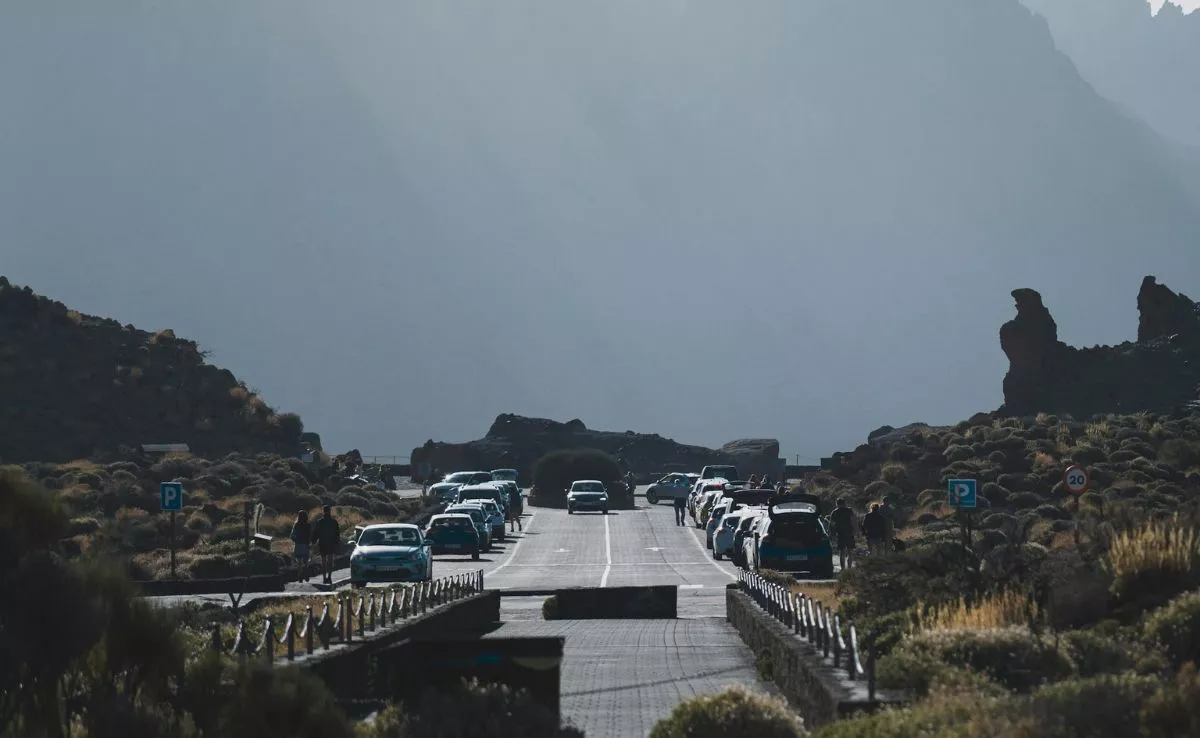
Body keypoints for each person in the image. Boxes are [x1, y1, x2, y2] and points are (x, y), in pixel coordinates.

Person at [310, 505, 342, 585]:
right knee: (330, 561)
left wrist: (313, 541)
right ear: (329, 511)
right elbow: (337, 533)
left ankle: (324, 578)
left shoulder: (320, 522)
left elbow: (316, 533)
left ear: (323, 511)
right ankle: (329, 577)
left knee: (324, 562)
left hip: (322, 543)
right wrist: (337, 543)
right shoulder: (333, 522)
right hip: (331, 543)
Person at [829, 498, 856, 571]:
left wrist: (832, 533)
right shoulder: (849, 511)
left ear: (837, 504)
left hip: (840, 534)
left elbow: (832, 524)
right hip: (849, 533)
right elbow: (853, 521)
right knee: (850, 551)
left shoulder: (835, 512)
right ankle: (849, 568)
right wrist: (855, 531)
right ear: (844, 503)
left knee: (842, 552)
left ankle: (843, 568)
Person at [290, 509, 312, 582]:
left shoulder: (296, 525)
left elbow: (292, 536)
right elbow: (309, 536)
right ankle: (306, 573)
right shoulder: (308, 525)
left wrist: (296, 540)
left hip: (298, 545)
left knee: (299, 562)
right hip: (305, 545)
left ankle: (300, 577)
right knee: (306, 561)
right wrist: (309, 544)